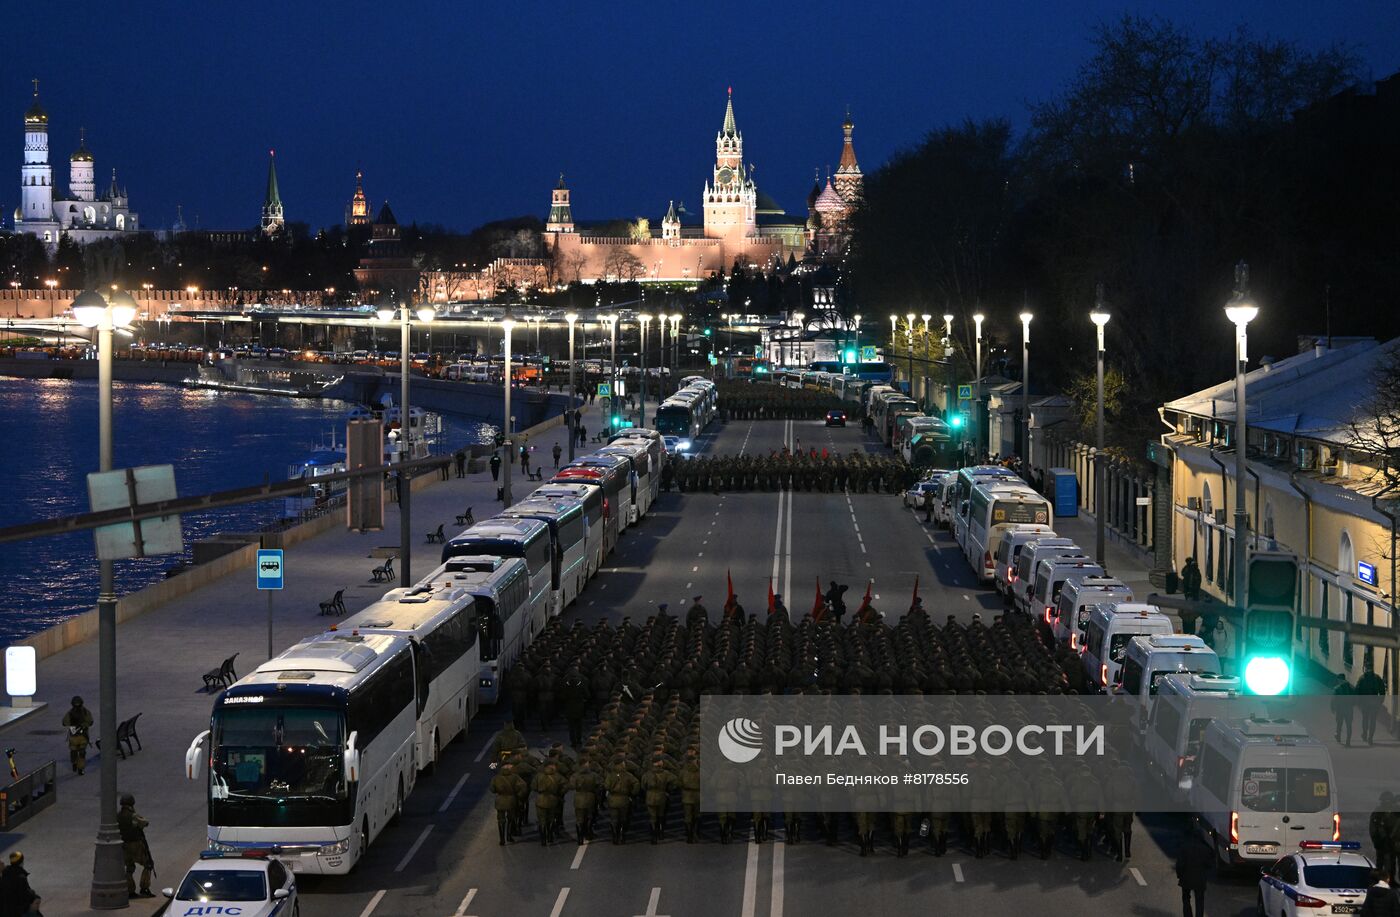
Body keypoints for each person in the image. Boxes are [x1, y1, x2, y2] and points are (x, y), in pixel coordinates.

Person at [118, 793, 154, 898]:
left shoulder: (118, 815)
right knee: (148, 864)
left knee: (129, 867)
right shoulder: (133, 815)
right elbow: (145, 823)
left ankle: (130, 891)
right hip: (136, 844)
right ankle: (144, 888)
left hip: (124, 845)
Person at [1175, 829, 1213, 917]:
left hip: (1186, 878)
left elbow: (1180, 864)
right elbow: (1209, 864)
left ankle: (1188, 915)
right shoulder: (1205, 849)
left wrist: (1179, 875)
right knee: (1199, 900)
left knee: (1186, 898)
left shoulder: (1184, 847)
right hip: (1200, 879)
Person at [1357, 661, 1387, 744]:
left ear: (1365, 668)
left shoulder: (1362, 678)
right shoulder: (1377, 678)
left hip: (1364, 703)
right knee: (1373, 720)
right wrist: (1380, 701)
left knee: (1365, 719)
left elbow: (1357, 691)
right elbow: (1382, 691)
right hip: (1374, 703)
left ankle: (1365, 734)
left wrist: (1358, 702)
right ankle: (1370, 738)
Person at [62, 695, 93, 776]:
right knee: (80, 752)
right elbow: (91, 722)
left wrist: (73, 726)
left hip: (75, 736)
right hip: (82, 736)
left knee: (75, 751)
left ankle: (76, 764)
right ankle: (80, 767)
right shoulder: (85, 712)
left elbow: (64, 722)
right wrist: (83, 725)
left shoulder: (70, 712)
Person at [0, 852, 38, 917]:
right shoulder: (18, 875)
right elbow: (23, 895)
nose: (3, 863)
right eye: (0, 863)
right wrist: (34, 896)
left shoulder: (6, 874)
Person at [1334, 673, 1357, 746]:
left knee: (1339, 724)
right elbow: (1355, 699)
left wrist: (1333, 708)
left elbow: (1334, 700)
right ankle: (1348, 742)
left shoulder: (1337, 689)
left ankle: (1338, 736)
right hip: (1349, 710)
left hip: (1340, 710)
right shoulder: (1351, 688)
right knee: (1349, 726)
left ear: (1339, 680)